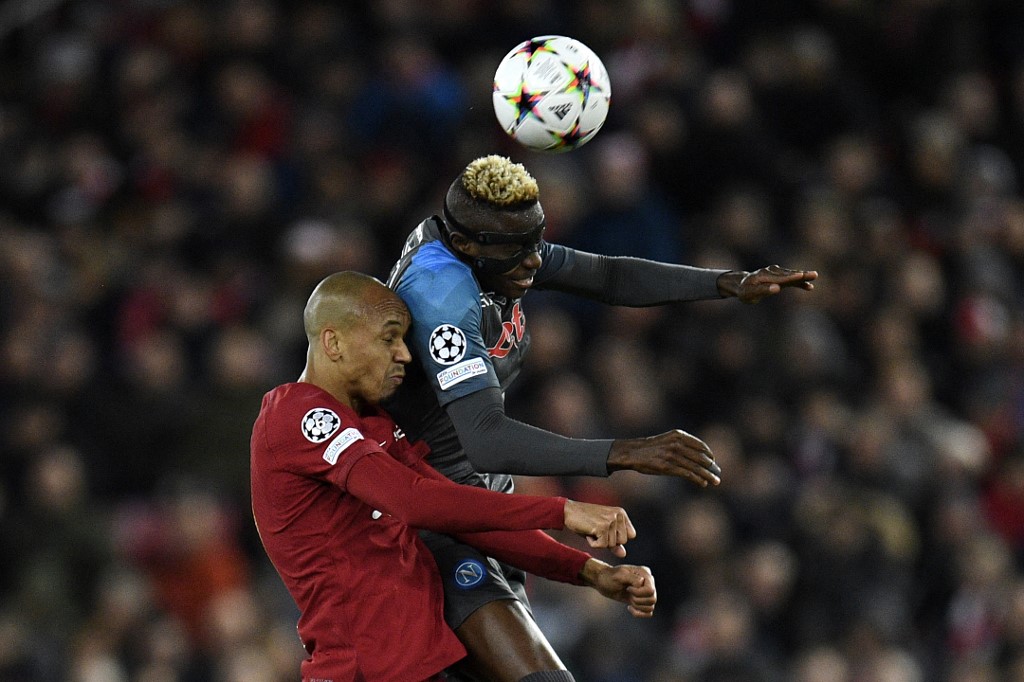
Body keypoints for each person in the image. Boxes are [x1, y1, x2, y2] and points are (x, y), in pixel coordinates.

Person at [386, 154, 819, 681]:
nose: (535, 260)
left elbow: (607, 275)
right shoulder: (440, 294)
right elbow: (484, 437)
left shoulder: (493, 243)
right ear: (466, 244)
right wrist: (624, 452)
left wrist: (728, 283)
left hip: (484, 505)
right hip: (429, 517)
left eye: (538, 240)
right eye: (520, 250)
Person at [250, 271, 658, 682]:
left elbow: (460, 514)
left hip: (427, 659)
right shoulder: (295, 416)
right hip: (365, 671)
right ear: (333, 342)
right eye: (388, 339)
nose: (404, 354)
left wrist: (590, 571)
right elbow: (414, 501)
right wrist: (561, 511)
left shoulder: (372, 423)